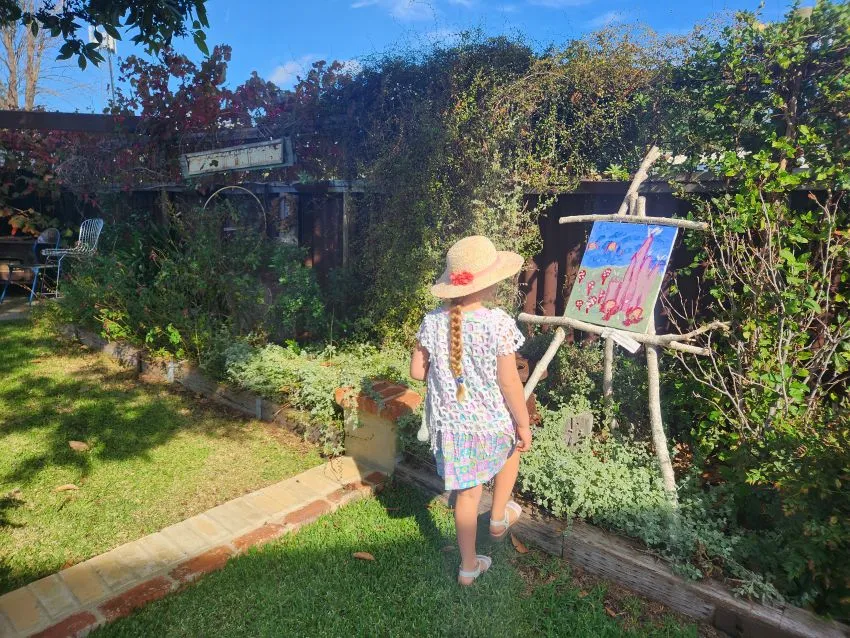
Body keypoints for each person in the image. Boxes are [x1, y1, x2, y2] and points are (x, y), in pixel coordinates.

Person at [410, 235, 532, 586]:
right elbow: (510, 383)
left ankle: (467, 566)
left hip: (452, 427)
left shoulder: (432, 322)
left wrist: (447, 375)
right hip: (493, 424)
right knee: (511, 451)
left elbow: (417, 372)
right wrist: (522, 424)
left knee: (466, 493)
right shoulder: (498, 324)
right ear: (491, 282)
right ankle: (497, 518)